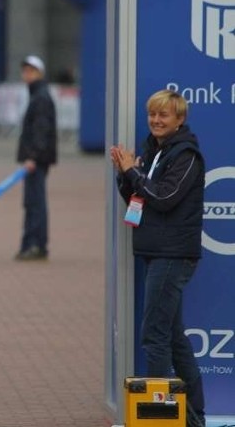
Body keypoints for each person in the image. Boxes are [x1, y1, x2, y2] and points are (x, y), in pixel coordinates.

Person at [110, 89, 205, 427]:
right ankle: (194, 418)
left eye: (164, 115)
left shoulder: (186, 155)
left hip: (172, 254)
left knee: (155, 336)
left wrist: (132, 172)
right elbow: (139, 198)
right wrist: (126, 174)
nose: (156, 121)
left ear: (179, 120)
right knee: (174, 337)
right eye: (153, 114)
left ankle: (161, 418)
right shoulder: (153, 151)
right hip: (155, 251)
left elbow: (163, 198)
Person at [14, 55, 57, 261]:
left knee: (35, 203)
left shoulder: (40, 97)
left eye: (31, 70)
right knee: (32, 202)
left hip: (36, 161)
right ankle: (33, 243)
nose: (27, 74)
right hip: (37, 159)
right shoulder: (38, 94)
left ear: (39, 73)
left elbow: (41, 130)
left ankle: (35, 245)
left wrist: (32, 157)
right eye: (25, 70)